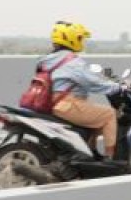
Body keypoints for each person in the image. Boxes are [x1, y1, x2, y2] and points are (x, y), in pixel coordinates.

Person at [43, 21, 122, 158]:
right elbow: (92, 83)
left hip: (52, 104)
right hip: (69, 105)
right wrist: (117, 87)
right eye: (79, 38)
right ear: (70, 39)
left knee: (95, 117)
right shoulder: (72, 61)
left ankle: (90, 152)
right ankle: (110, 157)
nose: (82, 41)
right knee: (109, 114)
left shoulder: (48, 59)